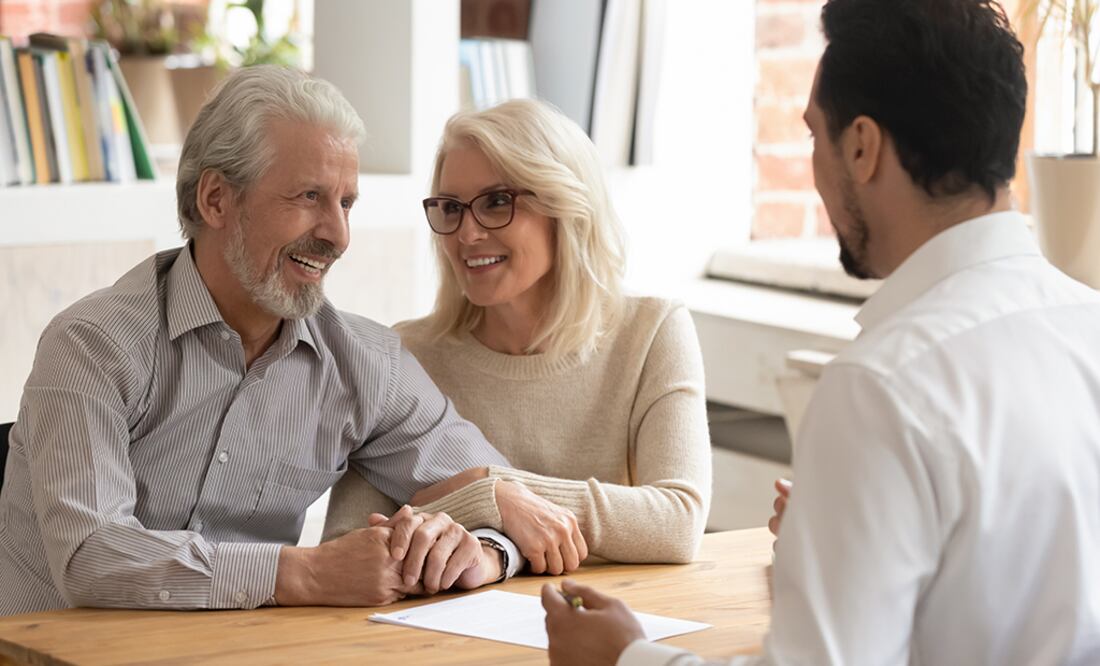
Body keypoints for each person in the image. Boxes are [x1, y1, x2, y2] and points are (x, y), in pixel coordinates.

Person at [541, 0, 1100, 664]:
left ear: (861, 146)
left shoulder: (883, 386)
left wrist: (626, 657)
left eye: (813, 136)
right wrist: (839, 548)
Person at [0, 66, 530, 615]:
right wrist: (304, 573)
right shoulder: (92, 346)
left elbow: (509, 501)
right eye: (308, 197)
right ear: (215, 200)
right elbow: (91, 558)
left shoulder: (365, 364)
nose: (337, 235)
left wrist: (483, 553)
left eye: (346, 203)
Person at [325, 99, 712, 573]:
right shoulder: (405, 355)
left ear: (565, 209)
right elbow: (350, 542)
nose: (466, 234)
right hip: (437, 637)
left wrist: (484, 483)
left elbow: (677, 521)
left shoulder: (652, 332)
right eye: (451, 208)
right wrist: (497, 503)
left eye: (496, 202)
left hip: (599, 621)